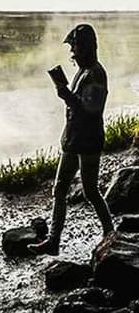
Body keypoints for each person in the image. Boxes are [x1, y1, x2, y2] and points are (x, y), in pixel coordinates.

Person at [30, 24, 114, 255]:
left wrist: (65, 94)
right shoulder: (85, 71)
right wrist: (67, 93)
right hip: (73, 139)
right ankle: (54, 240)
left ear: (85, 47)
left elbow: (91, 108)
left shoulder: (96, 73)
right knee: (59, 189)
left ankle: (110, 233)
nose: (72, 53)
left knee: (90, 190)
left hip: (87, 141)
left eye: (75, 47)